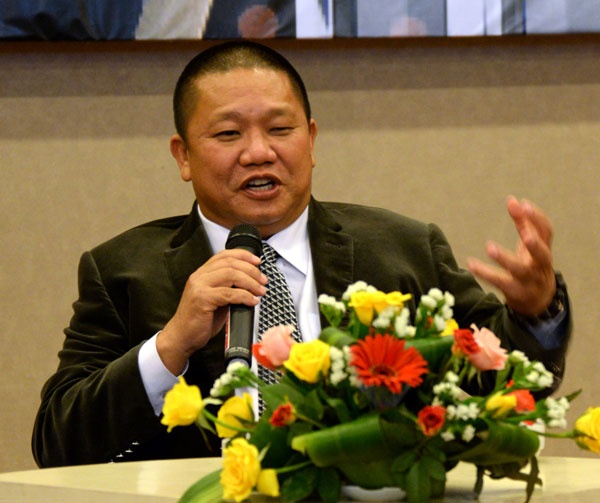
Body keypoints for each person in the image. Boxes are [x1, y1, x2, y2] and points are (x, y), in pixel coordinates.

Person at [32, 40, 570, 468]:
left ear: (311, 140)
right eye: (228, 133)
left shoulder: (402, 249)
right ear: (184, 156)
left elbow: (512, 385)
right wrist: (170, 344)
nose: (258, 152)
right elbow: (58, 444)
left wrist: (534, 312)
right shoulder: (123, 270)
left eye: (280, 129)